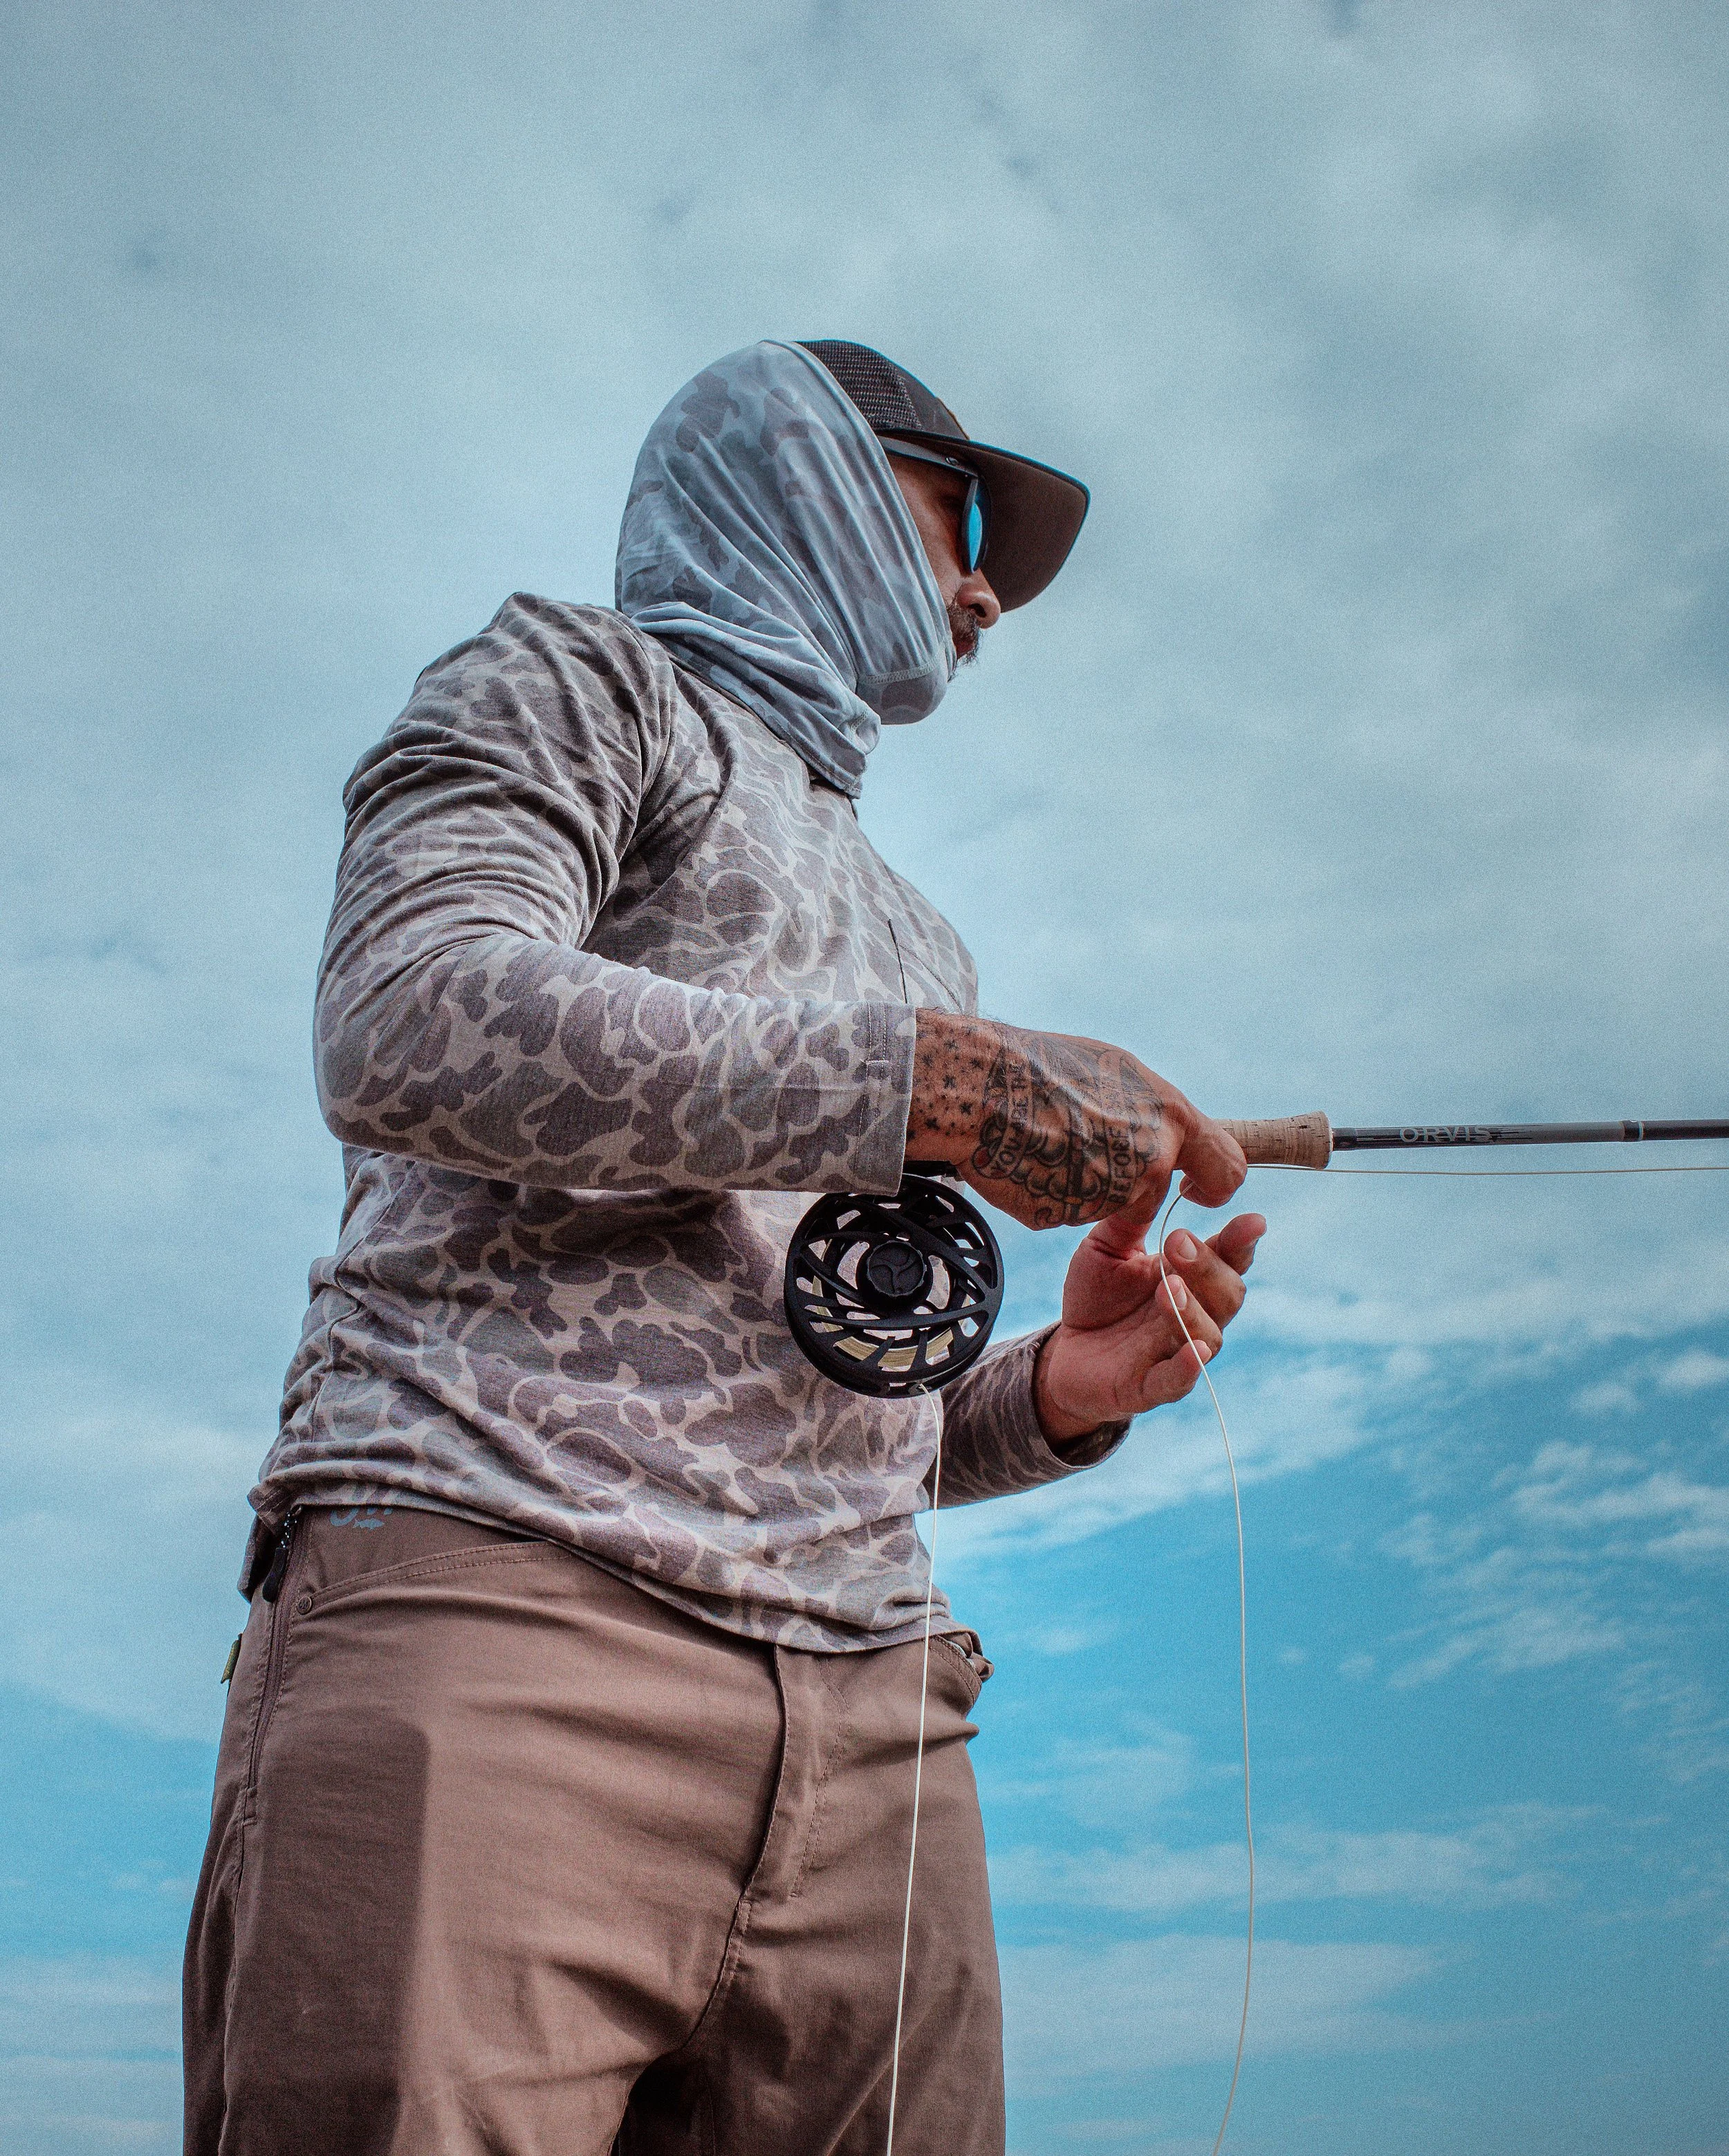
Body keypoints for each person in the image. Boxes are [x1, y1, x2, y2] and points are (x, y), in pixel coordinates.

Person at [183, 338, 1266, 2156]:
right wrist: (942, 1088)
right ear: (801, 470)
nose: (984, 593)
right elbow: (404, 1016)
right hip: (497, 1621)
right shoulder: (570, 681)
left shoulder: (922, 933)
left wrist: (1056, 1394)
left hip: (880, 1731)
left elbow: (816, 1380)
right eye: (958, 523)